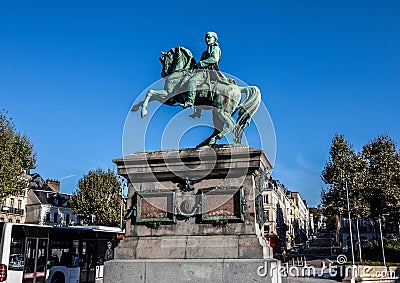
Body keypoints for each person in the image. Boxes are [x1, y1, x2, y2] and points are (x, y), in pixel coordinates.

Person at [185, 31, 230, 109]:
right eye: (206, 38)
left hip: (208, 71)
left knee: (192, 81)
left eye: (209, 37)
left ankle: (190, 101)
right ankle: (197, 108)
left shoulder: (216, 48)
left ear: (214, 39)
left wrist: (201, 63)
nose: (207, 39)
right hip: (202, 70)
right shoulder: (204, 53)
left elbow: (214, 59)